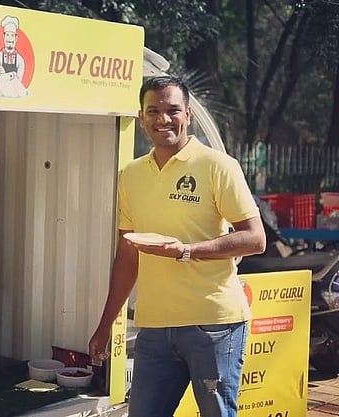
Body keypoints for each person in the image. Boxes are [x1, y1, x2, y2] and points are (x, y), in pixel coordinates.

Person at [89, 75, 266, 417]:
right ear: (141, 118)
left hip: (213, 325)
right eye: (153, 111)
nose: (163, 119)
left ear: (188, 114)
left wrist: (187, 251)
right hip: (155, 328)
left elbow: (256, 238)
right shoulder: (131, 175)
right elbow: (127, 254)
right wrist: (106, 324)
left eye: (172, 110)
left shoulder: (217, 166)